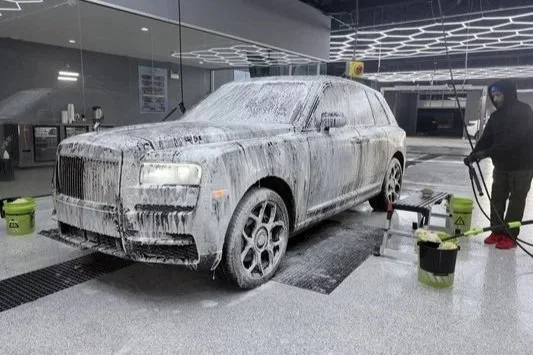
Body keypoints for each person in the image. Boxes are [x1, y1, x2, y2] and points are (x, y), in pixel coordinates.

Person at [464, 79, 533, 249]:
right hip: (501, 166)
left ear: (508, 94)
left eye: (499, 95)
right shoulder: (495, 117)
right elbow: (486, 139)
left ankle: (510, 236)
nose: (496, 99)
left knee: (516, 201)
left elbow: (515, 140)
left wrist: (487, 153)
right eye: (493, 95)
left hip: (522, 166)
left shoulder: (524, 112)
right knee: (497, 198)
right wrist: (474, 155)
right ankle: (496, 231)